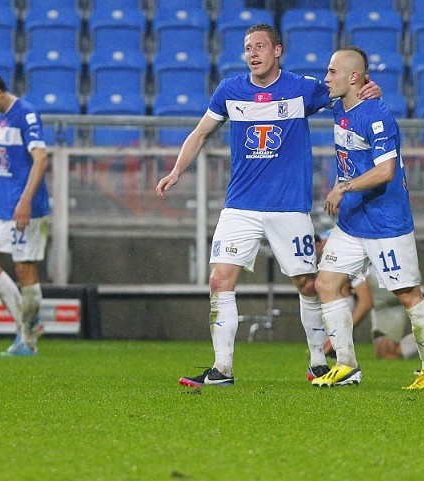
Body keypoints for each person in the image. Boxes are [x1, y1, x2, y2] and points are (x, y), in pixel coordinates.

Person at [155, 24, 381, 387]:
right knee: (218, 280)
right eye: (247, 47)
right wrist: (177, 171)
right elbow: (200, 133)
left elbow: (347, 92)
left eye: (260, 46)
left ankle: (318, 362)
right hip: (240, 205)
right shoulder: (230, 91)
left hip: (288, 208)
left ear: (278, 50)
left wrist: (369, 89)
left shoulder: (301, 89)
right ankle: (222, 369)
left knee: (307, 285)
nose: (253, 53)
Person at [311, 47, 424, 390]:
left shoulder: (377, 116)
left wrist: (343, 188)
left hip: (386, 224)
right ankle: (346, 365)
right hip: (354, 222)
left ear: (353, 77)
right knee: (326, 284)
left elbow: (386, 171)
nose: (326, 78)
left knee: (408, 295)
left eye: (332, 72)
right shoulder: (340, 105)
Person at [0, 68, 49, 356]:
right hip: (2, 207)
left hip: (25, 207)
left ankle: (27, 340)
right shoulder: (1, 115)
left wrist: (25, 200)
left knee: (24, 268)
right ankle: (28, 323)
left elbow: (40, 159)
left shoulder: (26, 114)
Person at [315, 231, 424, 361]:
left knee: (339, 285)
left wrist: (338, 337)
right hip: (383, 300)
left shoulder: (339, 252)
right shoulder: (330, 240)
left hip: (390, 279)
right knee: (387, 354)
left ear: (319, 243)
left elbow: (365, 303)